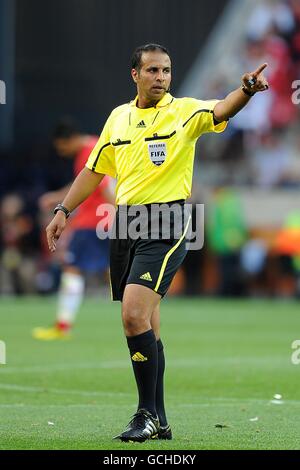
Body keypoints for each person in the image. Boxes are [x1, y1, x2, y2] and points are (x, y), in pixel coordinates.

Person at [44, 44, 269, 441]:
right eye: (152, 70)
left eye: (165, 70)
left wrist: (246, 91)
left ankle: (145, 414)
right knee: (146, 323)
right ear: (135, 74)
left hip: (167, 222)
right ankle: (160, 420)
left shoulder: (183, 111)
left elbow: (221, 109)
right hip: (126, 224)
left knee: (133, 315)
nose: (161, 77)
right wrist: (64, 209)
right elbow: (94, 171)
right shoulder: (119, 118)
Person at [33, 119, 115, 340]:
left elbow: (103, 183)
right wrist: (58, 197)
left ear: (70, 139)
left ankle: (62, 326)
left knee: (72, 268)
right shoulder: (96, 145)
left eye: (62, 147)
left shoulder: (90, 151)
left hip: (93, 221)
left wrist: (119, 212)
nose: (61, 152)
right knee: (115, 271)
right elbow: (84, 183)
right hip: (103, 220)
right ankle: (143, 316)